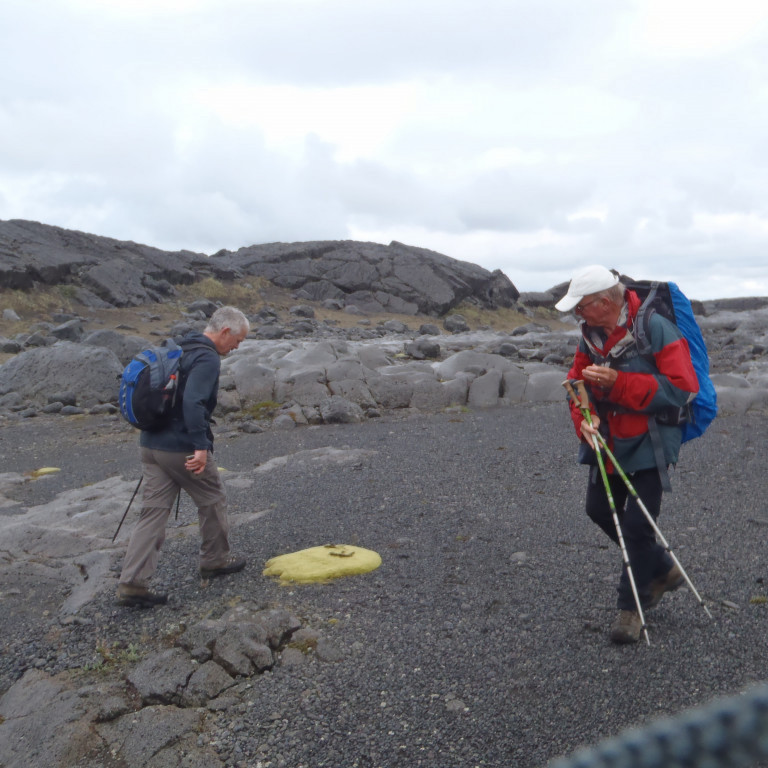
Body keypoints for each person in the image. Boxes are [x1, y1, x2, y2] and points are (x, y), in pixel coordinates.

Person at [556, 266, 699, 644]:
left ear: (604, 302)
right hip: (608, 437)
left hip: (653, 439)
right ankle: (662, 567)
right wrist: (584, 419)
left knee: (637, 525)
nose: (578, 315)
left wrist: (619, 383)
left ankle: (630, 609)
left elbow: (684, 388)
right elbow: (575, 382)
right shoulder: (590, 335)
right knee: (599, 510)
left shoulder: (655, 328)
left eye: (581, 307)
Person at [116, 306, 251, 608]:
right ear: (225, 331)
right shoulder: (206, 357)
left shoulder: (179, 346)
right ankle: (214, 561)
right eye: (238, 340)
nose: (237, 347)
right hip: (181, 448)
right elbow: (193, 402)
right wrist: (200, 447)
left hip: (150, 445)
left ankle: (132, 584)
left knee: (152, 513)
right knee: (212, 498)